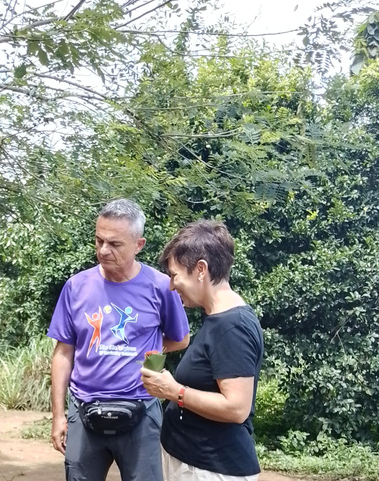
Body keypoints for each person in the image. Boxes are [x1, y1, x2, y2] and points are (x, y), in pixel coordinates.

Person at [48, 199, 191, 481]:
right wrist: (58, 416)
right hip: (84, 408)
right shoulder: (76, 287)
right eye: (99, 240)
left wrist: (148, 357)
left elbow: (180, 339)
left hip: (141, 410)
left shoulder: (161, 286)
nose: (103, 250)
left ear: (139, 244)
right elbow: (63, 353)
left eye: (115, 244)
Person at [141, 220, 263, 481]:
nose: (172, 286)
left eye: (174, 276)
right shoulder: (217, 318)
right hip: (194, 463)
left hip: (210, 469)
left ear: (200, 269)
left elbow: (236, 408)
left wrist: (175, 392)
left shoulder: (232, 327)